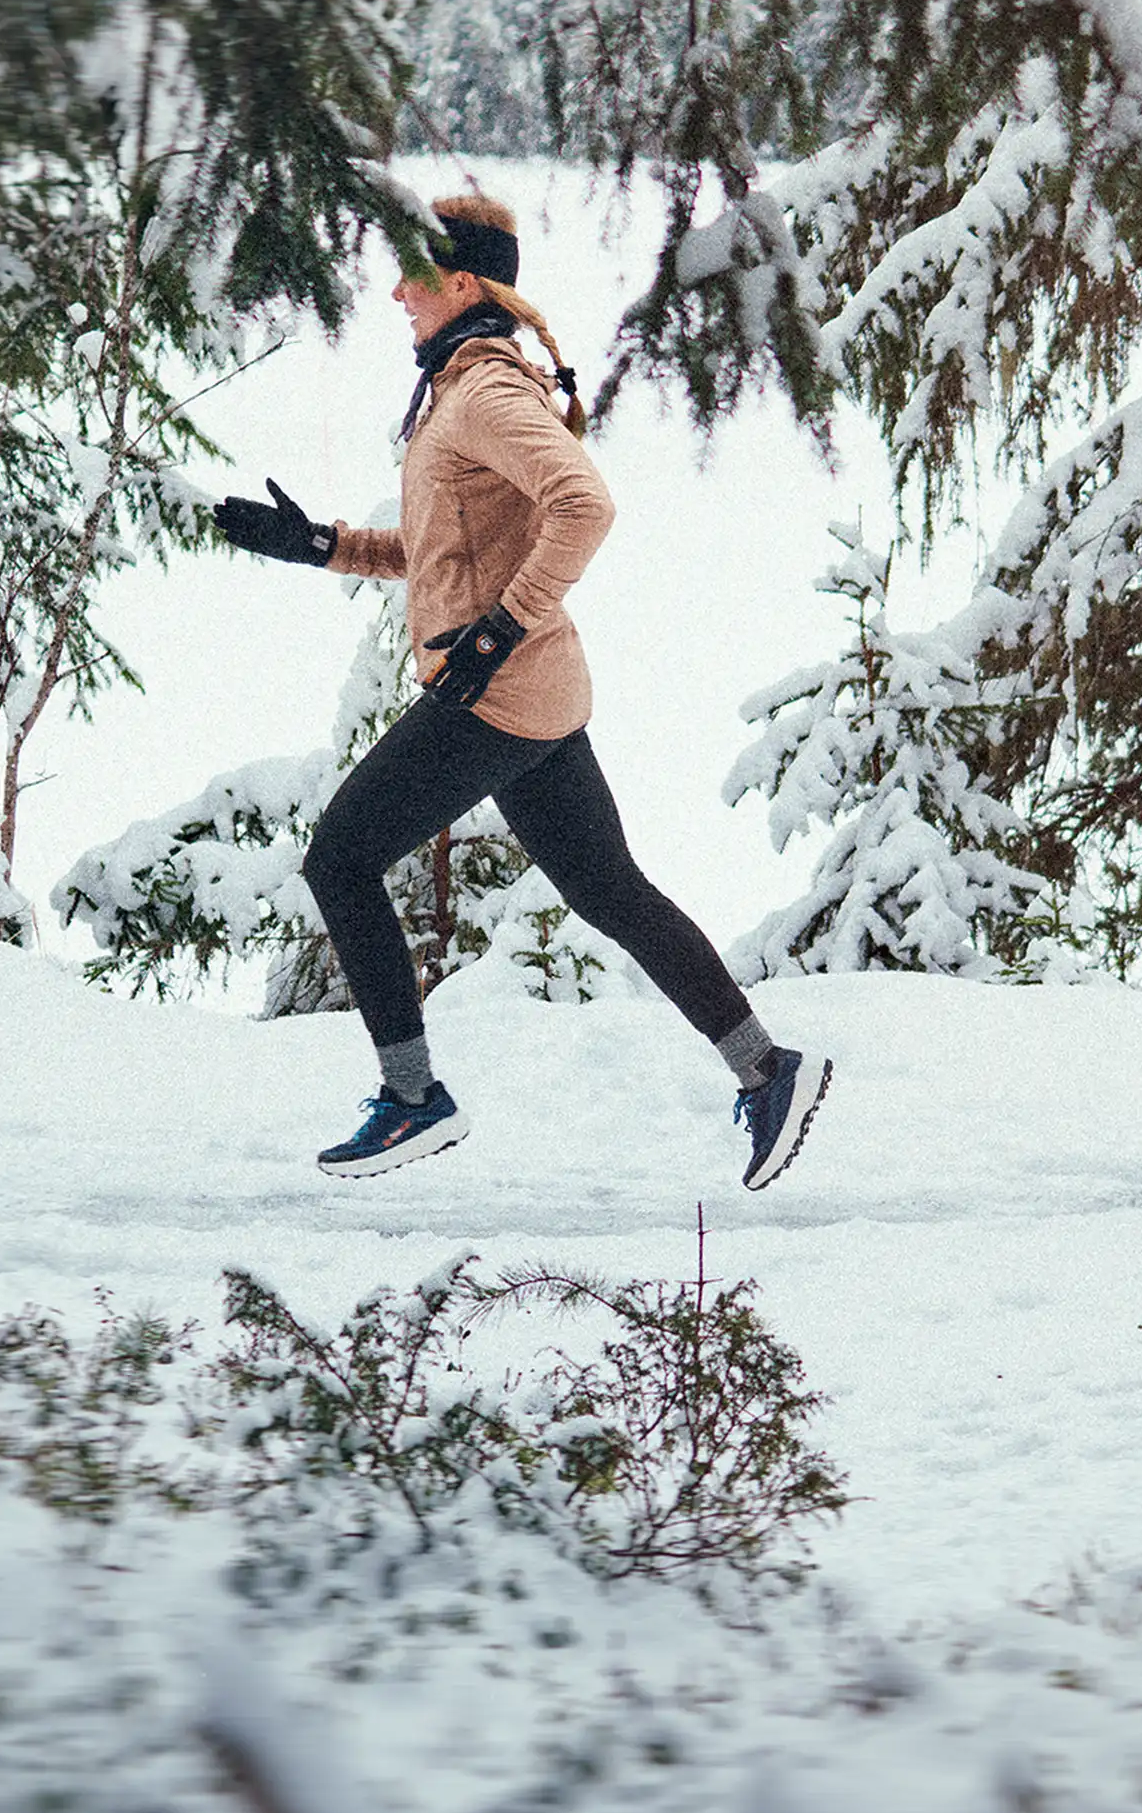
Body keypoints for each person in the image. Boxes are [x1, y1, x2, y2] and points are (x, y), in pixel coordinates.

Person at [205, 194, 829, 1186]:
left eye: (414, 275)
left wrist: (501, 629)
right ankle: (767, 1069)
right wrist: (319, 545)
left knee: (340, 859)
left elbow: (586, 505)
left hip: (496, 694)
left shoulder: (485, 393)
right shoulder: (463, 388)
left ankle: (414, 1101)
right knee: (607, 890)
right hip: (537, 694)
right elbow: (444, 553)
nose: (397, 292)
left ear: (460, 284)